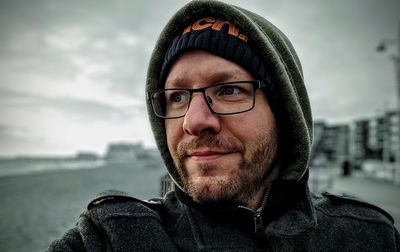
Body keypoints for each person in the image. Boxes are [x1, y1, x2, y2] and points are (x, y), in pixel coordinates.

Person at [48, 1, 399, 251]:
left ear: (285, 112)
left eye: (229, 90)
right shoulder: (111, 236)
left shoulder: (366, 236)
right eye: (177, 97)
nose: (194, 120)